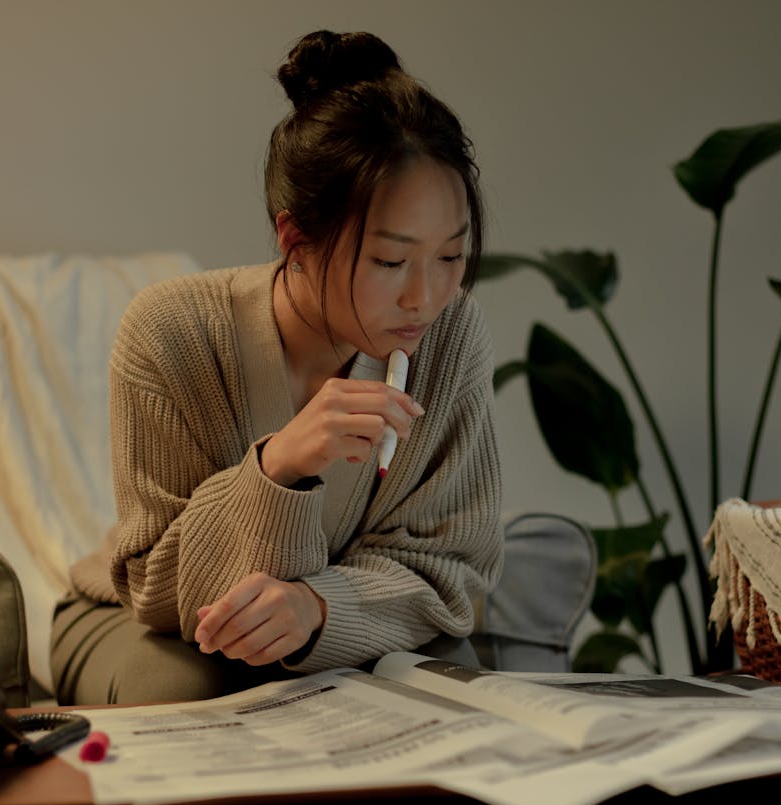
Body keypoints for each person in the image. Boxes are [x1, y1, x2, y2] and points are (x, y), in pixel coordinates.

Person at [51, 29, 503, 706]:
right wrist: (278, 469)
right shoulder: (169, 332)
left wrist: (317, 608)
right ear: (296, 240)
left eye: (449, 257)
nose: (425, 296)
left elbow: (453, 572)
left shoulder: (452, 335)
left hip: (335, 619)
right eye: (389, 261)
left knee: (453, 682)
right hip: (153, 628)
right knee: (183, 689)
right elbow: (158, 588)